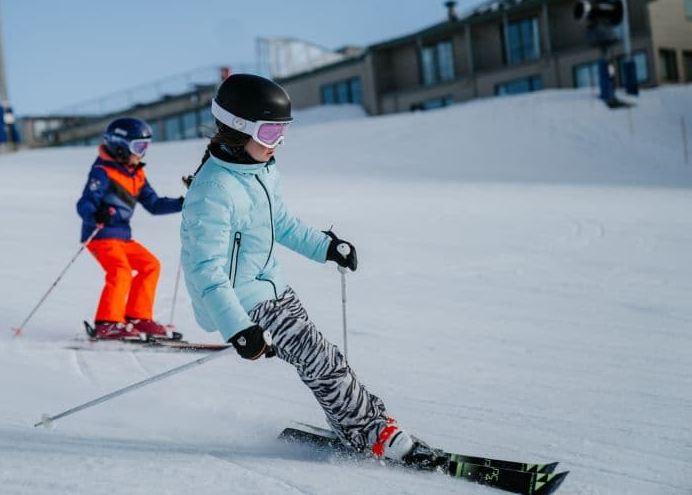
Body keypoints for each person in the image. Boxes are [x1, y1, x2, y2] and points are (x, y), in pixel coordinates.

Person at [179, 73, 441, 467]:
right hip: (241, 302)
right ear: (237, 129)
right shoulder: (214, 191)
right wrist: (238, 328)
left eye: (282, 132)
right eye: (269, 132)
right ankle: (373, 433)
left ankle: (354, 426)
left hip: (272, 288)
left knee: (320, 358)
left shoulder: (261, 171)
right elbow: (206, 272)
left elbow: (280, 223)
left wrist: (326, 247)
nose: (277, 143)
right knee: (319, 358)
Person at [76, 117, 184, 341]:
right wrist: (96, 214)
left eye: (145, 147)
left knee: (150, 265)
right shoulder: (102, 171)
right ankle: (107, 323)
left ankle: (138, 318)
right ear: (119, 146)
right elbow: (84, 203)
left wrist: (185, 202)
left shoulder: (137, 174)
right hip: (100, 235)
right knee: (120, 270)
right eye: (138, 147)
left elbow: (154, 205)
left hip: (122, 237)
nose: (141, 153)